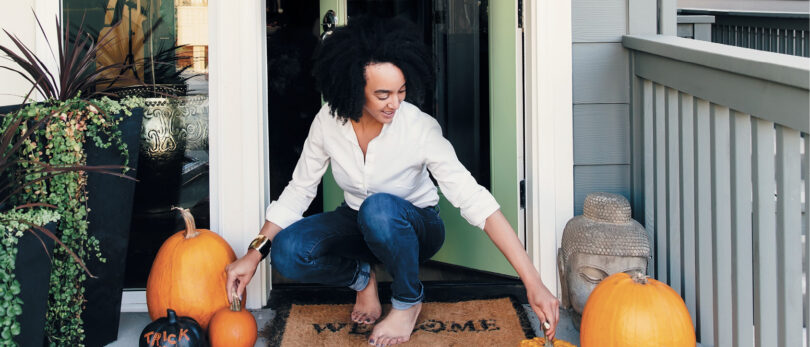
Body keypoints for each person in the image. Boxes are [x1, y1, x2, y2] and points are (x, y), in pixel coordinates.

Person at [225, 15, 559, 346]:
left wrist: (533, 281)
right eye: (383, 94)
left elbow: (476, 201)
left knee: (379, 209)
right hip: (357, 218)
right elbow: (300, 190)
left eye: (401, 91)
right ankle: (362, 278)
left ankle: (408, 301)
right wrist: (254, 254)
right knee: (288, 251)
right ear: (356, 89)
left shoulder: (418, 128)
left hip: (417, 225)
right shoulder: (328, 123)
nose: (395, 103)